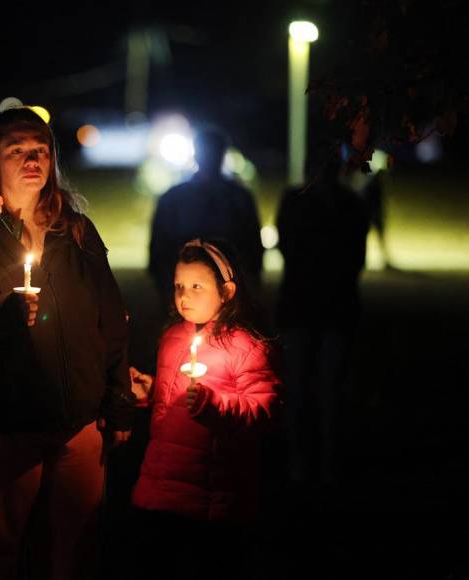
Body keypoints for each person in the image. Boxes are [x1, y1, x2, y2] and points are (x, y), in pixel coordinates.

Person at [0, 106, 136, 580]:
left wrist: (118, 396)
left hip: (76, 422)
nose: (31, 160)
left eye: (39, 150)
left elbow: (110, 315)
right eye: (16, 151)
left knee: (72, 553)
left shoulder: (75, 231)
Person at [128, 239, 280, 580]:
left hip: (211, 497)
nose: (184, 295)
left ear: (226, 292)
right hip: (159, 488)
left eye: (197, 286)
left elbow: (264, 411)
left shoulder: (244, 346)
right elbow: (172, 399)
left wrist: (215, 407)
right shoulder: (172, 338)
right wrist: (149, 391)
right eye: (179, 286)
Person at [276, 150, 369, 487]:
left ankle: (318, 460)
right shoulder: (346, 205)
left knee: (323, 386)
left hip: (323, 305)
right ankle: (307, 459)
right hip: (314, 305)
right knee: (307, 385)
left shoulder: (341, 205)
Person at [148, 129, 264, 314]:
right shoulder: (175, 198)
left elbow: (253, 247)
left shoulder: (238, 198)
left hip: (231, 294)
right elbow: (159, 246)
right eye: (207, 152)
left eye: (214, 152)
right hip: (186, 294)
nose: (210, 158)